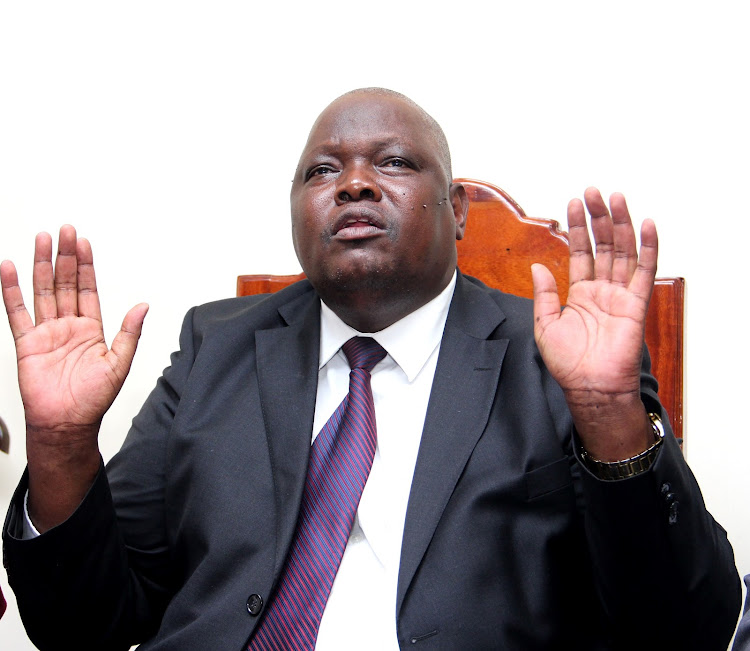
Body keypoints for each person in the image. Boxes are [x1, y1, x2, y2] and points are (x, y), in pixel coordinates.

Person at [1, 88, 740, 650]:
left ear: (456, 210)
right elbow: (82, 624)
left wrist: (608, 410)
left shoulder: (562, 357)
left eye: (392, 162)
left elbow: (682, 627)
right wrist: (62, 443)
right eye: (322, 170)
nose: (353, 183)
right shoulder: (214, 347)